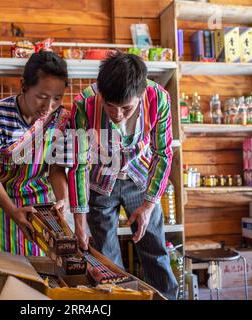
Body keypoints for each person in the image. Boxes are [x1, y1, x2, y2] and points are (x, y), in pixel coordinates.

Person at [68, 51, 178, 299]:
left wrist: (150, 205)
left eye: (126, 108)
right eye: (109, 106)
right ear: (100, 94)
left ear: (140, 95)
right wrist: (79, 220)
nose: (117, 115)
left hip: (140, 181)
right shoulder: (83, 103)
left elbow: (163, 153)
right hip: (100, 182)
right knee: (107, 260)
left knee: (155, 251)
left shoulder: (158, 98)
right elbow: (79, 164)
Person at [0, 51, 71, 274]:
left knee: (38, 268)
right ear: (24, 86)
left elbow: (56, 169)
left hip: (40, 201)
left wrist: (62, 199)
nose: (49, 107)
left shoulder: (62, 119)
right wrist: (12, 210)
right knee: (1, 268)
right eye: (42, 97)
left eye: (57, 98)